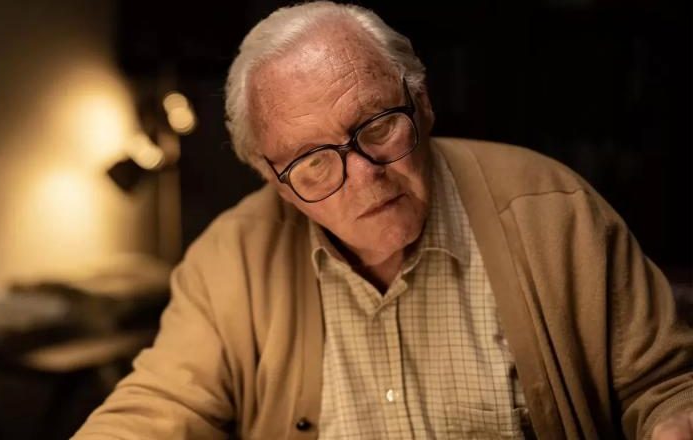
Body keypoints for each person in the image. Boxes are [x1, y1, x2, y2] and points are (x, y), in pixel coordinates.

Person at [74, 2, 692, 439]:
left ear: (421, 103)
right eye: (313, 161)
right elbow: (162, 405)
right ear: (273, 178)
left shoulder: (553, 211)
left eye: (376, 127)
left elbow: (664, 385)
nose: (364, 175)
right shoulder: (227, 259)